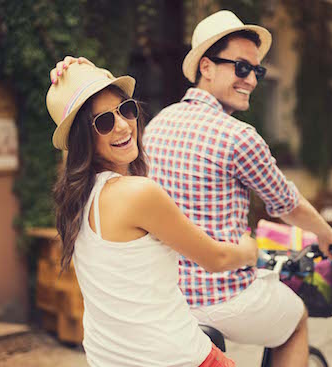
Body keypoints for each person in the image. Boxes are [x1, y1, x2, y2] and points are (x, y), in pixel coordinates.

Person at [50, 10, 332, 367]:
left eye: (257, 71)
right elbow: (284, 205)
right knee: (295, 317)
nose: (252, 80)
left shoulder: (151, 133)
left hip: (155, 315)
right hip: (215, 299)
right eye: (242, 68)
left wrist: (80, 79)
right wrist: (311, 236)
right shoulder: (238, 137)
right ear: (206, 67)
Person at [46, 62, 260, 366]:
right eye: (104, 122)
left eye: (126, 109)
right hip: (176, 358)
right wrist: (249, 250)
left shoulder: (76, 201)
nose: (122, 125)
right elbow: (217, 259)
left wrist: (78, 70)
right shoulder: (138, 193)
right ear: (83, 138)